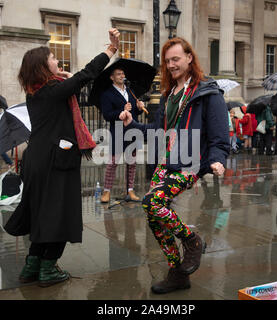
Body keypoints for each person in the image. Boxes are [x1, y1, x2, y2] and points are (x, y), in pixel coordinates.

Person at [4, 28, 120, 287]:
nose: (57, 61)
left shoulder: (36, 92)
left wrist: (65, 81)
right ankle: (48, 269)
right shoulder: (53, 90)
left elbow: (74, 87)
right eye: (53, 58)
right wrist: (110, 50)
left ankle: (32, 265)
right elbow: (88, 73)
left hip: (36, 158)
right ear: (43, 66)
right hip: (56, 160)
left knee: (43, 213)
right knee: (58, 214)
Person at [119, 37, 230, 294]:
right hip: (166, 161)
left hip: (189, 163)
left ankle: (191, 240)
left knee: (151, 202)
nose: (171, 65)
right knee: (153, 215)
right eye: (167, 61)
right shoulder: (170, 94)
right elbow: (158, 130)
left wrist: (217, 159)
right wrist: (131, 126)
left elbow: (219, 135)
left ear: (190, 58)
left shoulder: (207, 92)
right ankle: (178, 273)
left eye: (176, 59)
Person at [100, 68, 145, 203]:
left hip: (133, 129)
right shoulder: (107, 94)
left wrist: (139, 107)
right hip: (118, 130)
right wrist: (122, 110)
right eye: (118, 74)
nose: (122, 76)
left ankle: (130, 190)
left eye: (123, 74)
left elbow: (136, 113)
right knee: (113, 162)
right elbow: (107, 115)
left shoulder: (131, 91)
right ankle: (106, 191)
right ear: (112, 77)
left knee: (132, 162)